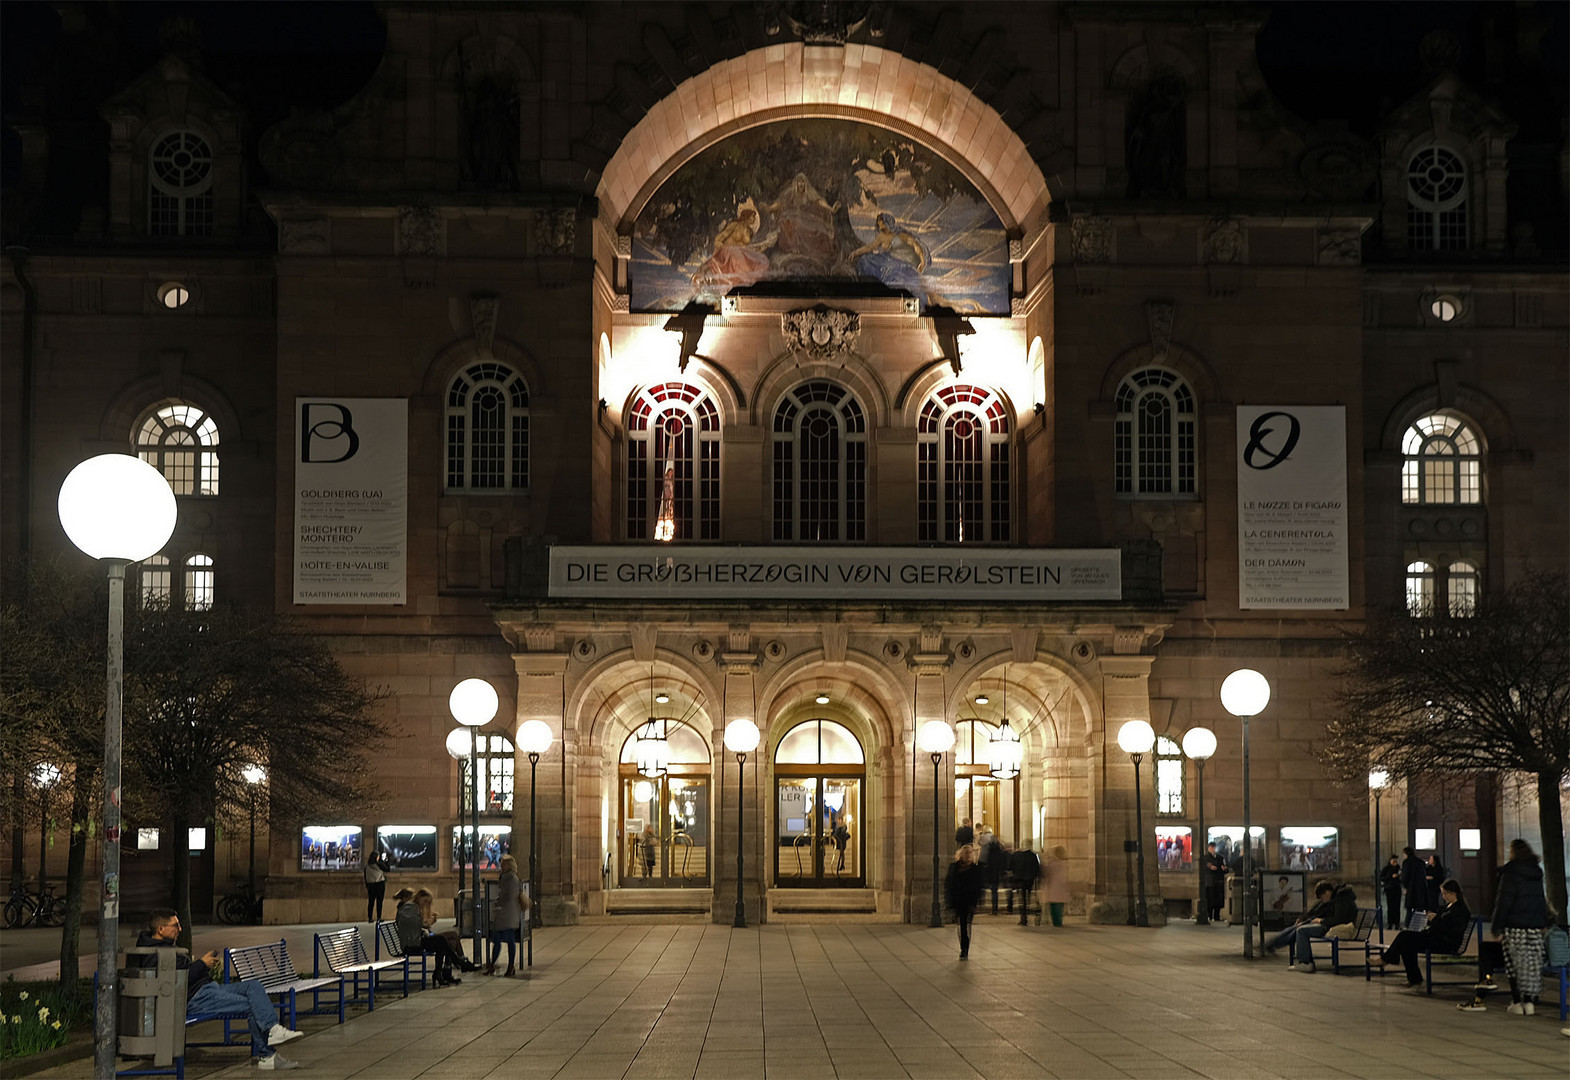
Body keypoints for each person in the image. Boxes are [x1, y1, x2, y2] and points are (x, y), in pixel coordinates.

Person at [134, 908, 302, 1070]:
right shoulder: (153, 953)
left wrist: (202, 965)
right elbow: (175, 982)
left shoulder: (165, 946)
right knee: (253, 1007)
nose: (180, 929)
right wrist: (201, 964)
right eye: (175, 925)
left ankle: (272, 1029)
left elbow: (181, 974)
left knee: (253, 985)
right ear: (161, 929)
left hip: (208, 989)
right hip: (195, 998)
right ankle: (267, 1056)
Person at [1372, 878, 1471, 988]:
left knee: (1405, 937)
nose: (1443, 896)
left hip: (1446, 941)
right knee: (1406, 942)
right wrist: (1431, 918)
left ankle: (1387, 960)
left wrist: (1436, 920)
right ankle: (1413, 977)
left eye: (1445, 894)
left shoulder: (1460, 910)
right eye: (1443, 893)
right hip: (1434, 937)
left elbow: (1453, 929)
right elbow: (1438, 923)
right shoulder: (1446, 907)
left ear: (1453, 893)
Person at [1490, 838, 1549, 1015]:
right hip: (1534, 927)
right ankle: (1529, 1003)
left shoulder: (1511, 873)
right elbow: (1540, 900)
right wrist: (1542, 922)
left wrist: (1496, 927)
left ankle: (1517, 1001)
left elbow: (1503, 902)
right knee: (1531, 965)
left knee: (1514, 965)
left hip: (1514, 926)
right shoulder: (1536, 873)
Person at [412, 888, 467, 986]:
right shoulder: (414, 908)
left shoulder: (418, 908)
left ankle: (444, 972)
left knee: (451, 943)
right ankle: (460, 961)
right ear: (419, 897)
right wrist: (428, 923)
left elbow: (422, 926)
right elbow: (418, 926)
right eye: (425, 901)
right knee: (450, 937)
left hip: (426, 935)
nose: (425, 904)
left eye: (427, 902)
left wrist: (429, 922)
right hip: (422, 938)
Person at [486, 854, 527, 977]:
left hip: (509, 914)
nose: (501, 865)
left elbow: (509, 896)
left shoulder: (511, 878)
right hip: (503, 914)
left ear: (509, 865)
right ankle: (493, 965)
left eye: (503, 863)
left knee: (509, 940)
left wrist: (499, 901)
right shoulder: (504, 877)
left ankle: (510, 966)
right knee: (497, 940)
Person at [944, 844, 985, 959]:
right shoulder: (954, 868)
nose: (968, 855)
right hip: (958, 899)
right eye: (966, 853)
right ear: (961, 855)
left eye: (970, 853)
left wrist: (979, 900)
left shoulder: (976, 869)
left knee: (967, 924)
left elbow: (980, 886)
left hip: (970, 900)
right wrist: (948, 900)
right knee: (961, 924)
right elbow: (948, 884)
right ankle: (963, 947)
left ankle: (965, 948)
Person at [1010, 843, 1042, 926]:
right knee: (1028, 897)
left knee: (1022, 898)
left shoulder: (1017, 855)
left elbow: (1012, 866)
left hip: (1020, 879)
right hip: (1030, 879)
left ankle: (1023, 917)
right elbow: (1036, 868)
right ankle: (1027, 913)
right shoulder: (1033, 855)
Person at [1041, 845, 1070, 928]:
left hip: (1053, 886)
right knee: (1060, 906)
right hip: (1061, 886)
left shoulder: (1052, 862)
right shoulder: (1064, 862)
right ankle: (1059, 921)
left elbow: (1046, 872)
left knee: (1054, 907)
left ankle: (1056, 922)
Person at [1400, 846, 1429, 924]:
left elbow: (1405, 876)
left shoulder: (1406, 862)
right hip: (1420, 889)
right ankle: (1418, 925)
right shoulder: (1421, 862)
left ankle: (1408, 925)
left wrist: (1405, 887)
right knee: (1419, 909)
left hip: (1411, 888)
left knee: (1409, 910)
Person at [980, 830, 1007, 914]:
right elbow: (1003, 862)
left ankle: (988, 906)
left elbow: (983, 860)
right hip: (996, 873)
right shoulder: (1000, 848)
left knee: (990, 890)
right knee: (995, 891)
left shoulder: (987, 848)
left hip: (989, 872)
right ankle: (995, 908)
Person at [1203, 842, 1227, 922]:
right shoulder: (1206, 858)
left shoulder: (1220, 858)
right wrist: (1209, 867)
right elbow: (1204, 867)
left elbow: (1224, 868)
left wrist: (1224, 869)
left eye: (1214, 847)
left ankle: (1217, 915)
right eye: (1211, 847)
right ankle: (1209, 915)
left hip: (1218, 881)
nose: (1213, 849)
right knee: (1210, 899)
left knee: (1218, 900)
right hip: (1210, 882)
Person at [364, 850, 390, 922]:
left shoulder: (366, 866)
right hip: (379, 884)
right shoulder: (379, 865)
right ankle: (379, 917)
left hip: (371, 885)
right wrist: (387, 861)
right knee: (379, 902)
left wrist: (367, 885)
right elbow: (387, 869)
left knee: (371, 901)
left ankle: (370, 917)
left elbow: (365, 877)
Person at [1379, 855, 1402, 932]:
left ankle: (1397, 923)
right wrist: (1390, 876)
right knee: (1390, 906)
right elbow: (1382, 877)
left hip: (1397, 889)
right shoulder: (1386, 869)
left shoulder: (1399, 868)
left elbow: (1402, 878)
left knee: (1397, 907)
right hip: (1389, 889)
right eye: (1393, 861)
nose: (1395, 862)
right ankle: (1390, 922)